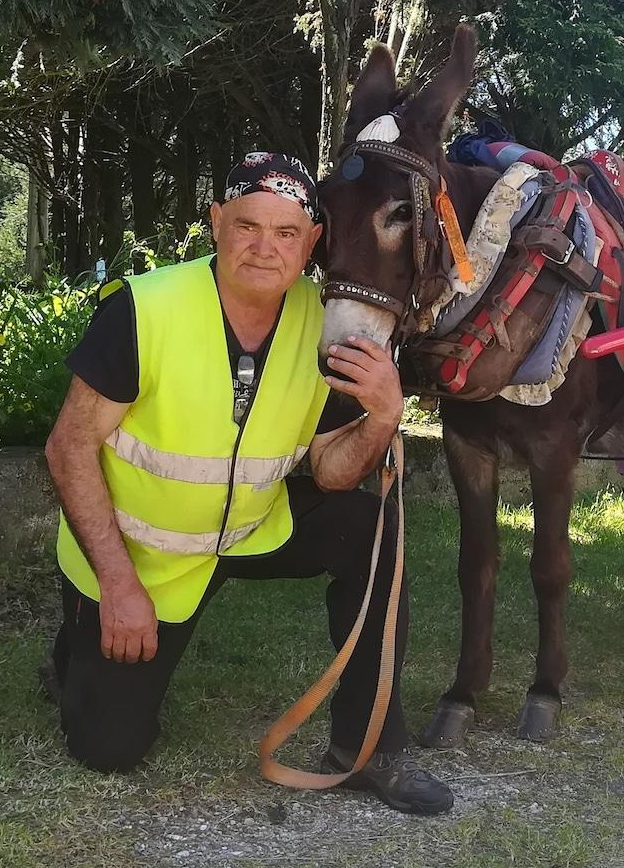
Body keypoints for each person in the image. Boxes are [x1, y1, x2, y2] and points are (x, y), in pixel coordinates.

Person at [42, 150, 453, 816]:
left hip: (253, 527)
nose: (266, 248)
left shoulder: (322, 321)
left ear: (312, 242)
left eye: (287, 233)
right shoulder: (144, 310)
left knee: (370, 524)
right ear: (215, 223)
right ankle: (75, 648)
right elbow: (67, 450)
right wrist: (118, 588)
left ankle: (369, 746)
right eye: (247, 227)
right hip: (144, 560)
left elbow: (330, 470)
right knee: (108, 748)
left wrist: (382, 418)